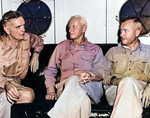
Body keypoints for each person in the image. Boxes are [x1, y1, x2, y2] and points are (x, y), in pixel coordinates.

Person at [44, 15, 110, 118]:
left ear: (84, 28)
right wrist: (51, 90)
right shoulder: (61, 47)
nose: (70, 30)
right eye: (69, 27)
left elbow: (102, 72)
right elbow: (50, 70)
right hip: (65, 89)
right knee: (83, 101)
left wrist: (89, 75)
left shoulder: (95, 49)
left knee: (75, 79)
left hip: (90, 87)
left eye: (74, 27)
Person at [0, 10, 44, 118]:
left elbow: (39, 41)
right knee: (5, 96)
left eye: (23, 25)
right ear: (7, 29)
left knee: (29, 95)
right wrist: (6, 85)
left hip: (16, 84)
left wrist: (36, 54)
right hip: (1, 83)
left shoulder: (27, 38)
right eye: (18, 27)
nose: (23, 30)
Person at [104, 17, 150, 118]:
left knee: (129, 82)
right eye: (120, 31)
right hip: (114, 90)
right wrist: (114, 80)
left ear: (137, 32)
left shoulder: (148, 52)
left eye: (125, 31)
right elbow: (101, 74)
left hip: (140, 90)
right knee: (127, 82)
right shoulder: (112, 52)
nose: (121, 34)